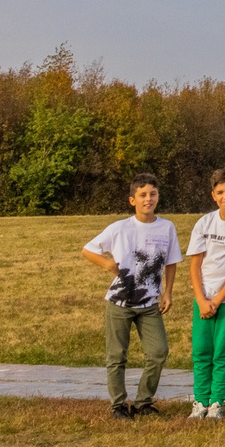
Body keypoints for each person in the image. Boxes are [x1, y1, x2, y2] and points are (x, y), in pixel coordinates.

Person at [82, 171, 181, 420]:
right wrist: (107, 265)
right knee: (117, 356)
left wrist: (167, 292)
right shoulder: (119, 228)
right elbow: (88, 249)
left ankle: (143, 402)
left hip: (149, 303)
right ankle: (118, 405)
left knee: (158, 352)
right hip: (120, 302)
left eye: (153, 194)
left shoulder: (166, 227)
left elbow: (171, 262)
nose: (148, 199)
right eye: (143, 195)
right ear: (132, 200)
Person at [184, 167, 225, 421]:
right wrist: (202, 299)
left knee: (222, 350)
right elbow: (195, 264)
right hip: (203, 297)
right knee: (202, 349)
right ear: (214, 195)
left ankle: (216, 403)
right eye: (221, 192)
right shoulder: (204, 223)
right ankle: (200, 401)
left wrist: (218, 299)